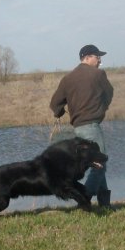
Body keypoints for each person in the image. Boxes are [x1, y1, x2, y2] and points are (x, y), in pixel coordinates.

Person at [49, 44, 114, 207]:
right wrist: (103, 107)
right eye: (97, 56)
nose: (100, 60)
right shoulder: (98, 74)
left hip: (78, 129)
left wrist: (59, 113)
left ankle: (105, 205)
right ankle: (84, 198)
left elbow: (55, 103)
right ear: (86, 57)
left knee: (96, 163)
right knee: (100, 164)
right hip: (92, 126)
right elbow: (109, 93)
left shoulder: (68, 78)